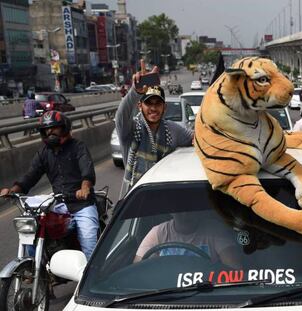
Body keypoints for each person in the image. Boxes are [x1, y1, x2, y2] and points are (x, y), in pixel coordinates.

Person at [0, 111, 99, 260]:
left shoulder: (78, 147)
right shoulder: (43, 153)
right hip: (60, 206)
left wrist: (85, 188)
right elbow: (30, 176)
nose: (49, 132)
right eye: (46, 129)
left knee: (90, 247)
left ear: (64, 128)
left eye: (54, 128)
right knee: (33, 228)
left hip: (82, 205)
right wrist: (13, 191)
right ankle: (34, 265)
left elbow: (87, 171)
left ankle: (93, 278)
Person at [115, 60, 193, 197]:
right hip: (136, 196)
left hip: (165, 196)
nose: (153, 108)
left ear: (164, 107)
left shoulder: (173, 130)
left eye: (158, 104)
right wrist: (135, 91)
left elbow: (196, 138)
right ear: (140, 106)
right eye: (148, 103)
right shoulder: (130, 129)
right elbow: (122, 114)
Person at [134, 211, 242, 269]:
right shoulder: (158, 233)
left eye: (190, 210)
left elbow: (235, 269)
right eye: (180, 210)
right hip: (166, 293)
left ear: (198, 211)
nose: (185, 215)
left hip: (207, 291)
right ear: (171, 212)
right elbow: (137, 269)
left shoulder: (214, 230)